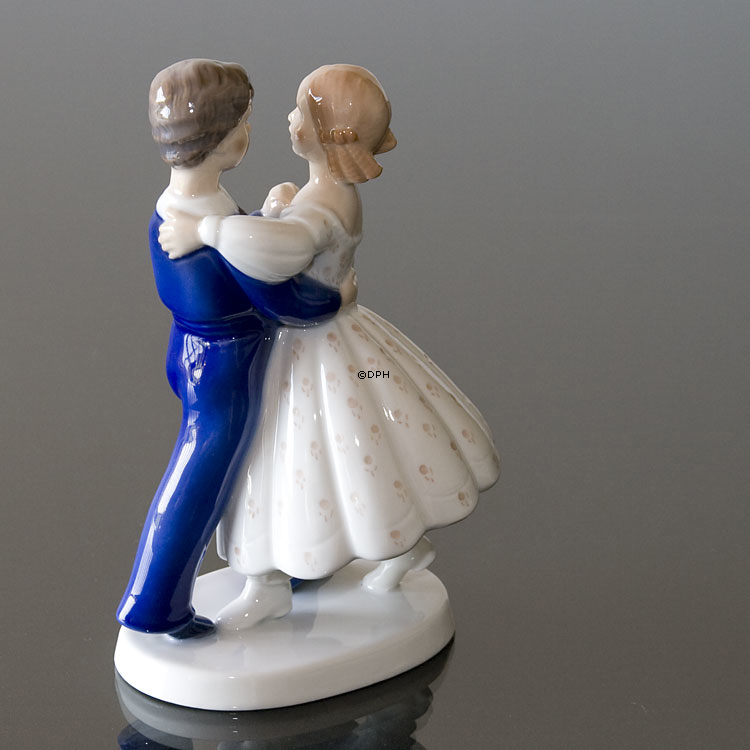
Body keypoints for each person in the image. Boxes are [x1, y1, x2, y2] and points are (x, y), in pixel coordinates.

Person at [160, 64, 500, 631]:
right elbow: (291, 236)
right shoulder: (325, 194)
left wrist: (208, 232)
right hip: (339, 345)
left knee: (282, 459)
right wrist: (279, 206)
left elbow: (283, 252)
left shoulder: (321, 207)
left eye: (300, 112)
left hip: (312, 353)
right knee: (345, 457)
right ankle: (388, 551)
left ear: (327, 136)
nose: (289, 119)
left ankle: (272, 583)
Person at [116, 59, 341, 639]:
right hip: (225, 366)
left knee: (260, 458)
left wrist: (261, 222)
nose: (249, 132)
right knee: (201, 481)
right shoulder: (208, 221)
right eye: (244, 122)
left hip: (192, 352)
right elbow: (284, 298)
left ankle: (285, 560)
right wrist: (334, 297)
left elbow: (236, 258)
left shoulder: (177, 207)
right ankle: (155, 602)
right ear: (218, 138)